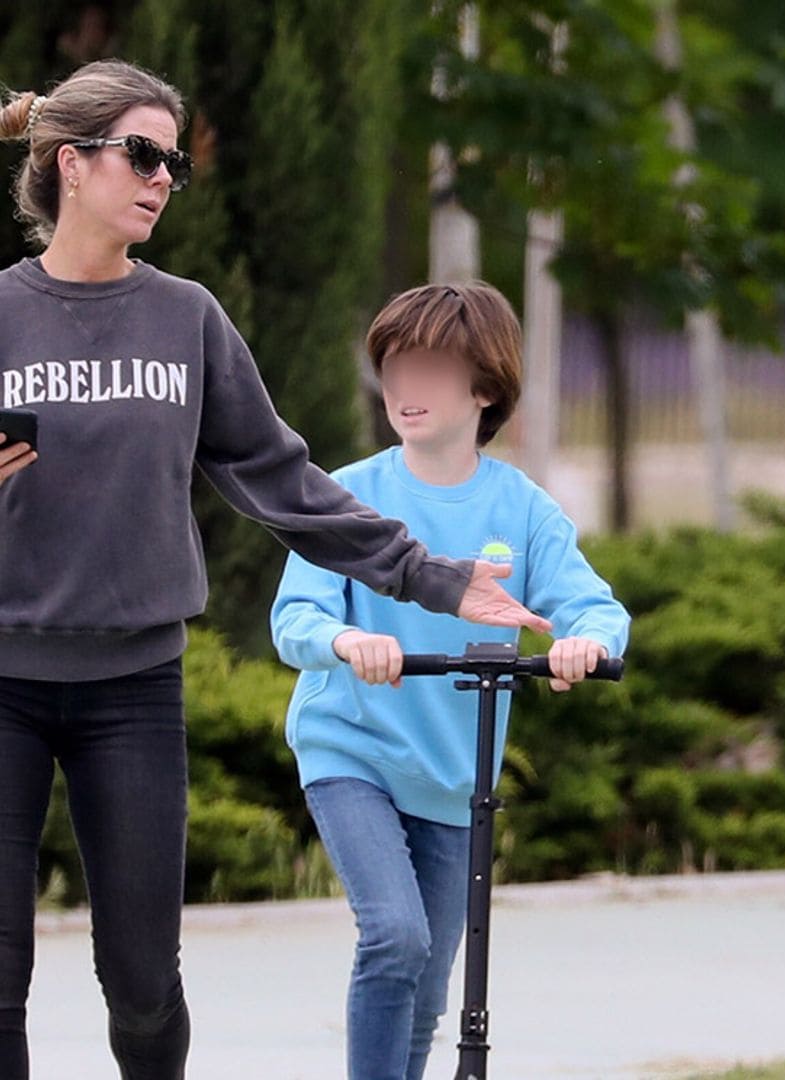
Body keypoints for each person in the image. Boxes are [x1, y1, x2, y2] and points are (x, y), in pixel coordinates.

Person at [0, 60, 550, 1080]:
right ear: (71, 165)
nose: (164, 176)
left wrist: (433, 577)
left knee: (142, 980)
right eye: (143, 155)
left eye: (174, 161)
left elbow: (284, 483)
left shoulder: (187, 320)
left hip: (132, 691)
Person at [271, 281, 631, 1080]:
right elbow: (294, 620)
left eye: (431, 368)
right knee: (396, 935)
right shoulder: (347, 496)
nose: (405, 387)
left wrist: (584, 646)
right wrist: (347, 638)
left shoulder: (524, 509)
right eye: (395, 366)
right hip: (353, 749)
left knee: (430, 993)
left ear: (485, 387)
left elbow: (594, 609)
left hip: (454, 773)